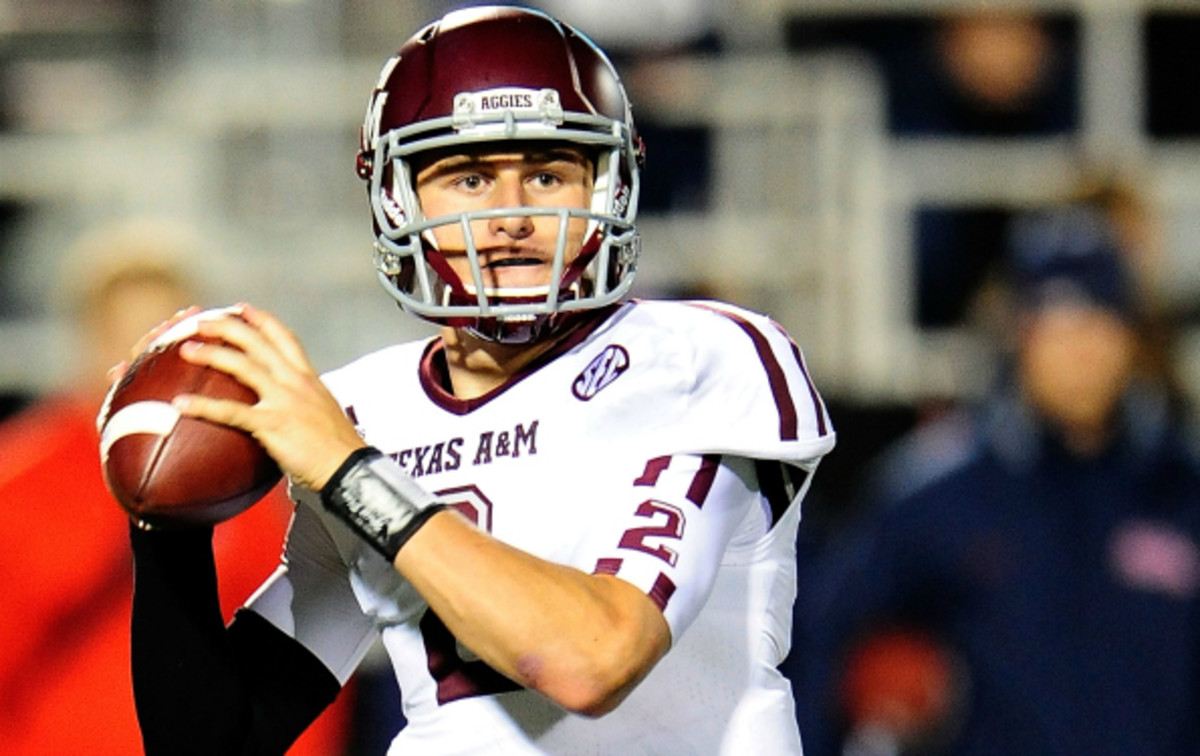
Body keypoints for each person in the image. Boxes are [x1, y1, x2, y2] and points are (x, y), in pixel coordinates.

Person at [120, 6, 835, 755]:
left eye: (548, 175)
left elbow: (595, 660)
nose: (511, 214)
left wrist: (350, 471)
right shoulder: (368, 410)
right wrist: (164, 523)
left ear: (609, 191)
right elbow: (214, 741)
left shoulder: (699, 356)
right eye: (468, 177)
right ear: (399, 199)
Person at [789, 203, 1200, 756]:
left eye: (1095, 323)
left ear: (1129, 336)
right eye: (1055, 327)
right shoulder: (939, 491)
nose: (1078, 351)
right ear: (1019, 337)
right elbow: (823, 632)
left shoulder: (1182, 489)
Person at [0, 219, 351, 755]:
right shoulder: (23, 478)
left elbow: (295, 656)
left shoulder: (242, 481)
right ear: (91, 335)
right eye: (127, 333)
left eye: (164, 336)